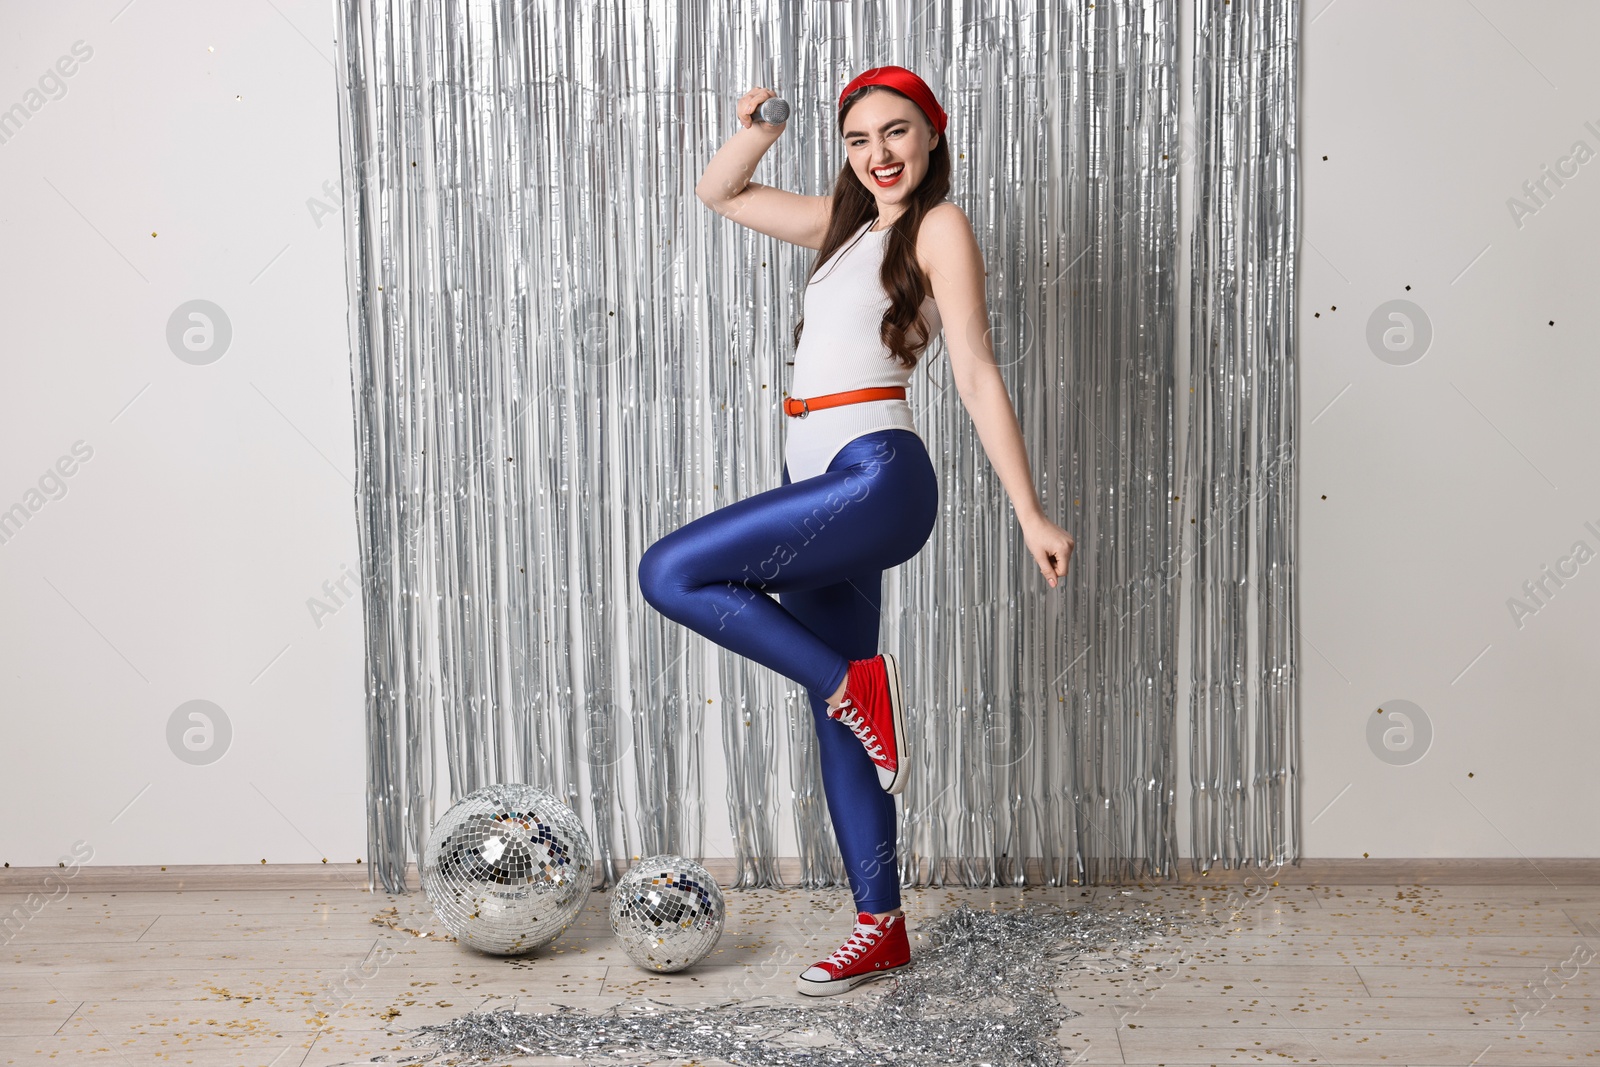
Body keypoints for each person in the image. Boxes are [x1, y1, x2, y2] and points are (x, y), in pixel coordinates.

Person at [637, 65, 1075, 996]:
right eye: (858, 139)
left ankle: (853, 682)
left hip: (877, 478)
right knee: (838, 723)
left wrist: (1028, 510)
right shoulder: (842, 231)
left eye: (898, 134)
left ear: (931, 139)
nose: (879, 155)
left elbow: (977, 372)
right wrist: (756, 129)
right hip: (818, 480)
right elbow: (719, 192)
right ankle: (881, 925)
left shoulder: (938, 227)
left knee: (670, 571)